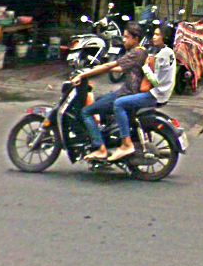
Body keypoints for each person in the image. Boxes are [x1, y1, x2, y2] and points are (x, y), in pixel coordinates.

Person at [72, 22, 147, 162]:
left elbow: (110, 65)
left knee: (86, 112)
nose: (124, 40)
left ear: (136, 39)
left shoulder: (135, 52)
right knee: (100, 99)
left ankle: (101, 148)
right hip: (129, 91)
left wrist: (83, 75)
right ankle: (105, 136)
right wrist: (97, 69)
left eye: (127, 37)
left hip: (127, 94)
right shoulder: (142, 51)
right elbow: (119, 68)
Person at [110, 25, 177, 157]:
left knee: (119, 103)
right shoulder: (168, 52)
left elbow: (155, 81)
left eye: (157, 35)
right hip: (163, 93)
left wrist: (145, 67)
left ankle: (126, 143)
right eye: (154, 34)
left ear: (165, 37)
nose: (154, 37)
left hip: (155, 94)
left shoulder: (162, 55)